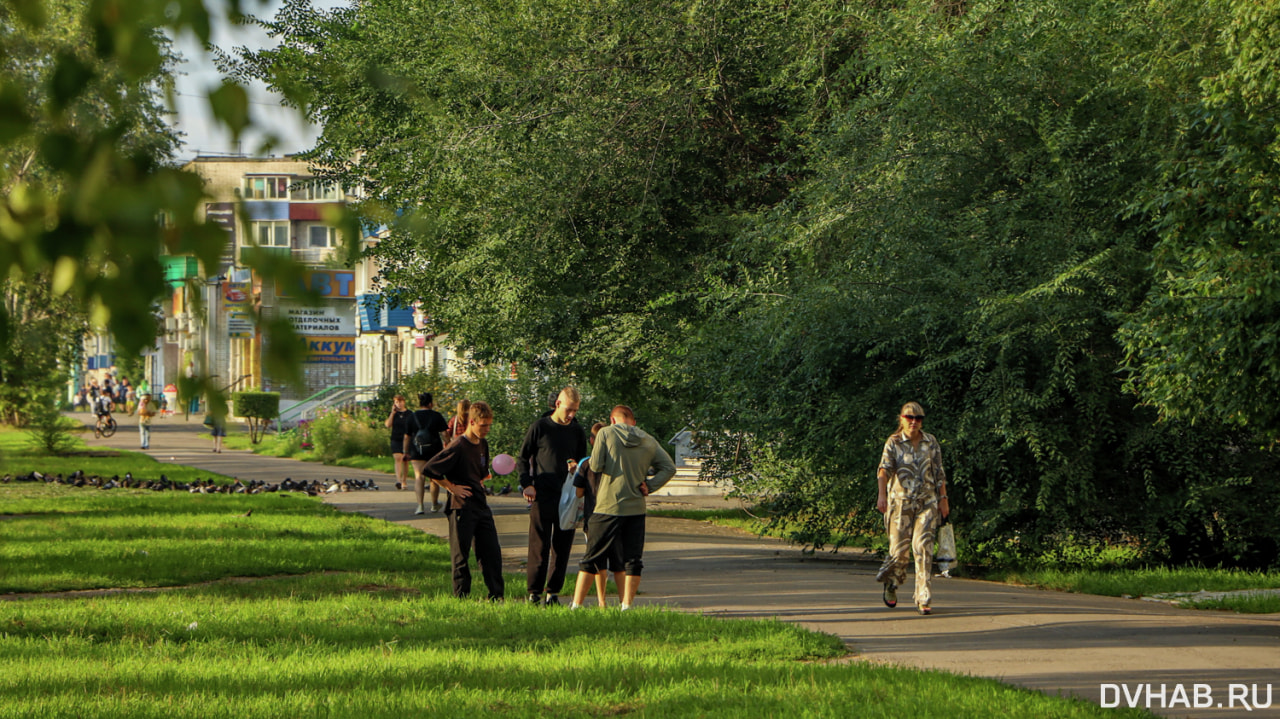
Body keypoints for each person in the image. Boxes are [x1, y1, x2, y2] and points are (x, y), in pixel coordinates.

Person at [570, 405, 676, 611]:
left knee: (592, 556)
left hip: (607, 506)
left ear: (612, 420)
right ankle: (626, 605)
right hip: (636, 507)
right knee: (633, 558)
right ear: (633, 422)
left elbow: (596, 466)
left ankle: (576, 605)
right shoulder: (648, 440)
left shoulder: (605, 434)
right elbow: (669, 468)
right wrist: (650, 486)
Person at [422, 401, 505, 601]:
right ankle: (461, 598)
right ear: (472, 422)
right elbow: (430, 469)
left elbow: (481, 470)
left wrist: (483, 479)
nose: (487, 429)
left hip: (480, 505)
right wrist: (451, 487)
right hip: (461, 507)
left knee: (491, 553)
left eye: (489, 425)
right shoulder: (458, 445)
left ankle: (496, 596)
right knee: (461, 555)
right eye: (483, 425)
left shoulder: (483, 444)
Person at [875, 401, 950, 616]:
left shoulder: (930, 442)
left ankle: (923, 595)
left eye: (918, 418)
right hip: (900, 504)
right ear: (901, 419)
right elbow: (883, 470)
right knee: (899, 553)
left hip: (927, 502)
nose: (914, 422)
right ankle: (892, 583)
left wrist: (943, 499)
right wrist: (882, 496)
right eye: (910, 418)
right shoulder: (894, 442)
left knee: (923, 547)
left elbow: (939, 472)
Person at [518, 386, 588, 606]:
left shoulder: (576, 431)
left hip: (567, 495)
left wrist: (577, 470)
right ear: (558, 404)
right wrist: (526, 484)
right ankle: (534, 592)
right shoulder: (540, 427)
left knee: (563, 543)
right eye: (568, 410)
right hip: (542, 493)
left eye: (575, 411)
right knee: (539, 543)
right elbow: (522, 457)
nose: (571, 415)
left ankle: (553, 592)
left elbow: (583, 462)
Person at [572, 421, 621, 606]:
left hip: (593, 517)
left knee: (595, 559)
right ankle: (620, 602)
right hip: (616, 515)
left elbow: (578, 493)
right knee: (617, 559)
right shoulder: (617, 461)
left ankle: (600, 600)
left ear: (592, 440)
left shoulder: (586, 463)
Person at [405, 392, 448, 515]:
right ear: (430, 404)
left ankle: (420, 506)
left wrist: (405, 451)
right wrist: (448, 445)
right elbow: (444, 434)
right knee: (434, 478)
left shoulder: (412, 417)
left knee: (419, 476)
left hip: (416, 449)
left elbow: (407, 436)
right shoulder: (436, 416)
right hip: (434, 450)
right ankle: (434, 504)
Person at [384, 395, 412, 491]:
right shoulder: (394, 414)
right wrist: (392, 413)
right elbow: (388, 425)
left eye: (400, 402)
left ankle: (404, 480)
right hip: (396, 438)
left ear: (404, 402)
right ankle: (398, 480)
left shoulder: (409, 413)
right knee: (397, 457)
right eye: (396, 402)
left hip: (407, 439)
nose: (398, 404)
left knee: (405, 460)